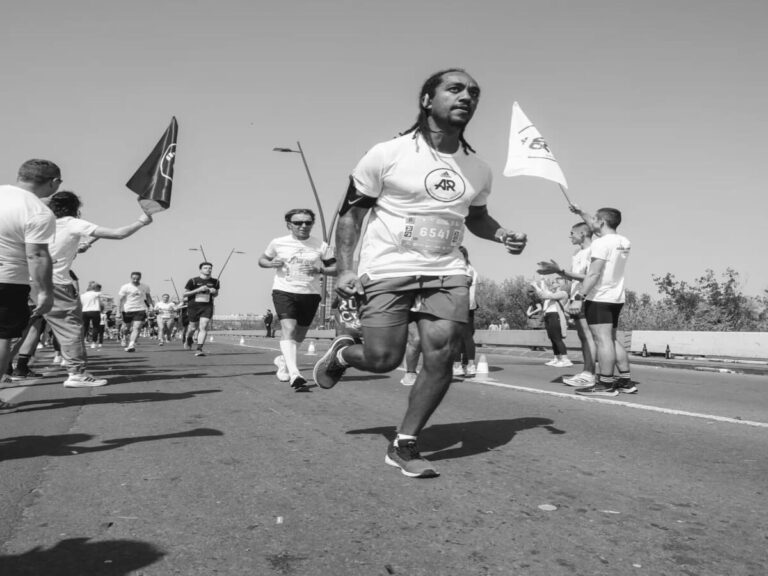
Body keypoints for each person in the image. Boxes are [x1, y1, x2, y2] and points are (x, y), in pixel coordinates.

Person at [312, 68, 528, 478]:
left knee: (442, 351)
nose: (467, 96)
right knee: (383, 358)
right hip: (389, 268)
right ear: (427, 100)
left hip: (447, 271)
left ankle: (405, 442)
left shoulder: (478, 168)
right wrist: (345, 270)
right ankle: (344, 353)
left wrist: (503, 235)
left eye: (474, 93)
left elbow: (477, 218)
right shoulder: (387, 153)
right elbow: (351, 214)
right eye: (455, 89)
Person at [45, 191, 151, 384]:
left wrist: (79, 248)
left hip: (28, 281)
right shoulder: (72, 223)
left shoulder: (42, 223)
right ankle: (76, 374)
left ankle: (14, 368)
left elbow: (52, 250)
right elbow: (119, 234)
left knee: (17, 331)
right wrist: (141, 221)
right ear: (75, 208)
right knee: (72, 330)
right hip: (57, 284)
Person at [258, 208, 335, 391]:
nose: (303, 226)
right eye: (298, 222)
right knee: (289, 328)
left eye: (308, 222)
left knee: (299, 334)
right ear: (289, 225)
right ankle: (295, 374)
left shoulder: (321, 245)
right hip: (284, 290)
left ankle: (283, 362)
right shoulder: (278, 243)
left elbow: (336, 268)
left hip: (310, 293)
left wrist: (320, 270)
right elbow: (261, 260)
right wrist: (270, 264)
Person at [0, 160, 58, 400]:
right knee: (4, 336)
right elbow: (36, 254)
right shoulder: (38, 211)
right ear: (54, 182)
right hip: (8, 279)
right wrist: (45, 292)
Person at [568, 204, 635, 396]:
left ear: (602, 222)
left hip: (599, 297)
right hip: (616, 297)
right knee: (611, 339)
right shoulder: (623, 241)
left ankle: (605, 384)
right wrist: (580, 212)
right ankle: (625, 380)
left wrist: (579, 297)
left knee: (603, 340)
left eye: (595, 219)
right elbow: (596, 224)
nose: (592, 223)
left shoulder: (600, 244)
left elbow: (594, 273)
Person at [537, 221, 597, 386]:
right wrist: (557, 273)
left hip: (588, 297)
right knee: (583, 337)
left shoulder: (593, 251)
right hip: (577, 298)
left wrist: (560, 272)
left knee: (590, 337)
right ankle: (588, 372)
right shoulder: (577, 253)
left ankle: (590, 374)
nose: (570, 236)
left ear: (583, 234)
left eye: (572, 233)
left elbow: (590, 277)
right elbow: (572, 278)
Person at [530, 277, 572, 367]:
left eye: (555, 282)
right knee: (553, 339)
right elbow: (544, 292)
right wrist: (541, 282)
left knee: (557, 338)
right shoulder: (552, 293)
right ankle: (557, 358)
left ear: (560, 284)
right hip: (548, 316)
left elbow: (545, 295)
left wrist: (535, 286)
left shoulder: (563, 293)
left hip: (555, 315)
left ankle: (565, 359)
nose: (552, 283)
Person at [183, 262, 220, 357]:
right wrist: (198, 290)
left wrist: (214, 291)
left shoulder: (215, 281)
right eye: (205, 268)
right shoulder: (193, 280)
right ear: (200, 269)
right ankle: (189, 338)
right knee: (193, 328)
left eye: (210, 268)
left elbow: (216, 295)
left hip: (207, 306)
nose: (208, 269)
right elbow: (185, 294)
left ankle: (199, 349)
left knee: (203, 326)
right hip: (193, 306)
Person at [452, 246, 478, 377]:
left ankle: (464, 365)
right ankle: (465, 364)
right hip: (465, 305)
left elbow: (466, 282)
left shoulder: (466, 268)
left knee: (463, 337)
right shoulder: (468, 267)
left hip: (462, 305)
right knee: (463, 337)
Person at [118, 272, 153, 353]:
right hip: (127, 309)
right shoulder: (125, 287)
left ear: (140, 278)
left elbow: (148, 297)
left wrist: (151, 306)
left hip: (140, 309)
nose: (135, 280)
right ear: (131, 277)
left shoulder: (145, 286)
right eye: (134, 278)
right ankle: (123, 336)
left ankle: (131, 345)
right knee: (126, 328)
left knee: (137, 327)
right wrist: (118, 311)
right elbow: (120, 299)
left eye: (137, 278)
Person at [80, 281, 104, 348]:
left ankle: (82, 341)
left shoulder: (82, 295)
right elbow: (101, 301)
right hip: (95, 311)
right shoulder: (97, 294)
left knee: (85, 327)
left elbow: (81, 304)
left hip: (84, 311)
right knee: (95, 327)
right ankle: (93, 342)